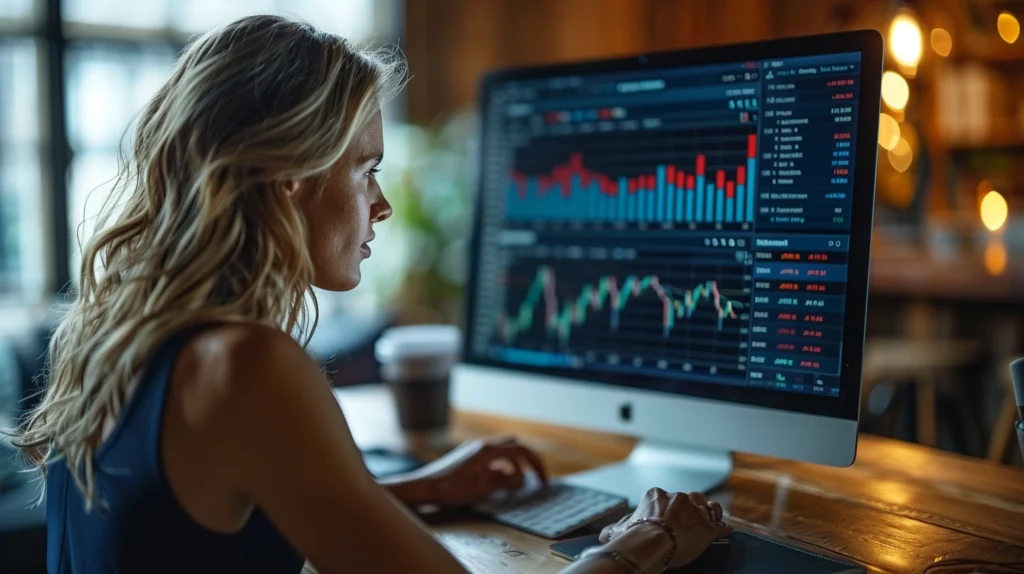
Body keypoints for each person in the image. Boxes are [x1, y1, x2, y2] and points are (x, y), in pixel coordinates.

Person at [12, 15, 732, 574]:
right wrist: (645, 542)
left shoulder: (113, 331)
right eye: (365, 168)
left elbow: (193, 530)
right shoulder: (246, 368)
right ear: (293, 173)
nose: (381, 205)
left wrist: (418, 492)